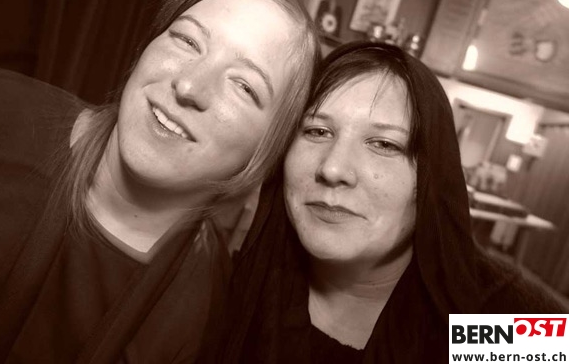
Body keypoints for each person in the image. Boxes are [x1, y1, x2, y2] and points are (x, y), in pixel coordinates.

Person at [0, 0, 319, 364]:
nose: (189, 86)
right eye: (187, 40)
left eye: (244, 86)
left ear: (264, 155)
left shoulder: (204, 316)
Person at [217, 41, 567, 363]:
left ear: (429, 177)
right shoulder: (235, 283)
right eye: (317, 131)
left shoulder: (501, 323)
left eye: (384, 144)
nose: (333, 168)